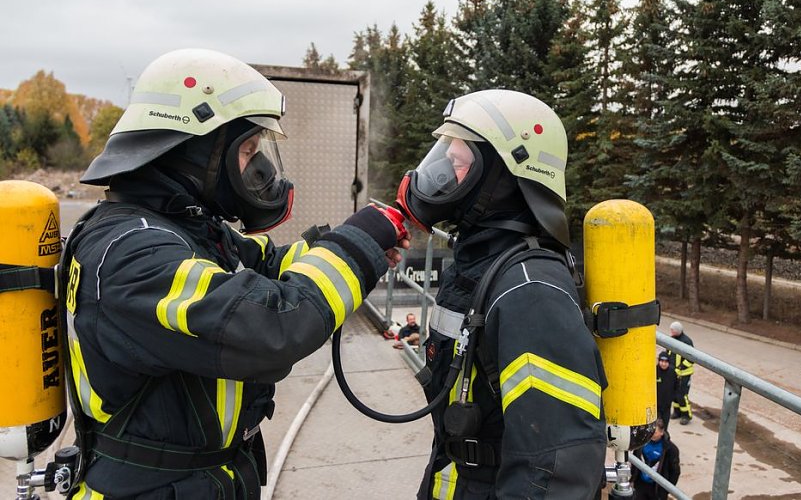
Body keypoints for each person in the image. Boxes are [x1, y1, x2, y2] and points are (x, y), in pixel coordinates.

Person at [60, 48, 409, 499]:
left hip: (196, 481)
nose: (259, 167)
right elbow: (271, 325)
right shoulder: (133, 252)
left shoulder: (180, 228)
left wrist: (355, 238)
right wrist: (352, 250)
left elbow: (264, 265)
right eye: (247, 150)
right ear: (194, 151)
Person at [396, 89, 607, 499]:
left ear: (502, 178)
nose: (439, 174)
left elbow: (554, 466)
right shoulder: (480, 265)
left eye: (456, 163)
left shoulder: (531, 291)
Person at [631, 418, 681, 500]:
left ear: (661, 432)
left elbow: (675, 472)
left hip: (657, 489)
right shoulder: (641, 442)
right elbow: (635, 461)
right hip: (640, 484)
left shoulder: (670, 449)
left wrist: (666, 489)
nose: (651, 434)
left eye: (655, 432)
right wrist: (633, 478)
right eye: (651, 431)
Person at [668, 321, 695, 425]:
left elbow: (691, 358)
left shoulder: (686, 341)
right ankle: (677, 412)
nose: (671, 331)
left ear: (678, 331)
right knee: (674, 394)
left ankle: (686, 415)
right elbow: (669, 353)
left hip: (684, 374)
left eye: (672, 330)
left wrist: (680, 367)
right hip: (674, 373)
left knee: (682, 395)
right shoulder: (672, 339)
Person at [656, 351, 678, 431]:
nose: (663, 364)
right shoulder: (654, 371)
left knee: (664, 427)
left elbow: (677, 386)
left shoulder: (672, 372)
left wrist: (673, 398)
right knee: (656, 427)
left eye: (666, 362)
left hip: (666, 406)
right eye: (662, 361)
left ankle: (664, 439)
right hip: (656, 406)